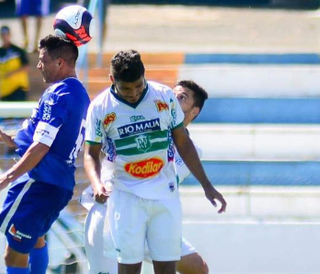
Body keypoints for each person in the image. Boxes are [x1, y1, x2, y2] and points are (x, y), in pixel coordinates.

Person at [83, 50, 226, 274]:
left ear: (144, 76)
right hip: (125, 195)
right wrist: (95, 183)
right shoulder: (100, 108)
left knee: (167, 267)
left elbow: (183, 143)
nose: (133, 93)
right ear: (112, 80)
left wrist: (206, 185)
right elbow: (90, 153)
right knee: (129, 267)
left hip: (163, 194)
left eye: (138, 86)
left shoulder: (163, 96)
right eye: (126, 88)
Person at [0, 35, 90, 274]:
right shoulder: (77, 92)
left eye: (42, 60)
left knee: (13, 254)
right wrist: (12, 140)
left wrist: (3, 179)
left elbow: (42, 146)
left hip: (40, 182)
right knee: (36, 239)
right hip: (57, 184)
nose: (38, 65)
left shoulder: (59, 94)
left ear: (60, 63)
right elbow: (53, 138)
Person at [0, 26, 29, 101]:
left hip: (18, 88)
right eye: (2, 34)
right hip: (4, 91)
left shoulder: (18, 50)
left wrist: (12, 73)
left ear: (10, 35)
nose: (4, 37)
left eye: (6, 34)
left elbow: (26, 67)